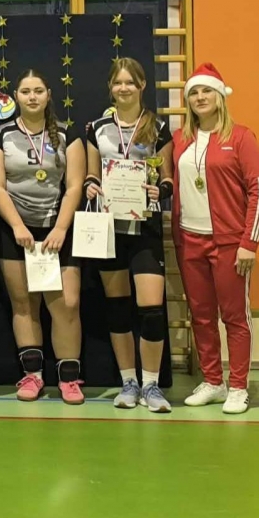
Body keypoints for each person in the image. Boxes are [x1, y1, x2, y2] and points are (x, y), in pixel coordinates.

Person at [172, 63, 259, 414]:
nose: (200, 97)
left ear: (220, 96)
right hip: (190, 240)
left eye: (206, 91)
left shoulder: (241, 137)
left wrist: (249, 243)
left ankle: (238, 386)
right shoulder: (179, 140)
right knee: (201, 315)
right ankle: (213, 381)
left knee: (235, 317)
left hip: (229, 242)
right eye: (194, 93)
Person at [83, 57, 175, 413]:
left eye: (130, 83)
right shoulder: (96, 128)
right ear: (110, 87)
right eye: (118, 82)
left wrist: (159, 191)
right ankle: (129, 383)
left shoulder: (158, 127)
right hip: (110, 230)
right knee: (118, 308)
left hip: (144, 229)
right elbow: (92, 174)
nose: (124, 88)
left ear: (141, 86)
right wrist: (92, 187)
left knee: (151, 310)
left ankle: (151, 384)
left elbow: (166, 179)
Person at [0, 70, 86, 405]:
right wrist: (18, 226)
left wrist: (60, 228)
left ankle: (69, 378)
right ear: (16, 96)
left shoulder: (68, 134)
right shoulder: (1, 134)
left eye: (38, 91)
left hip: (58, 229)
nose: (32, 97)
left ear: (48, 95)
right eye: (25, 91)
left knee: (67, 304)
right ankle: (33, 375)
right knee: (24, 303)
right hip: (15, 230)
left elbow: (74, 185)